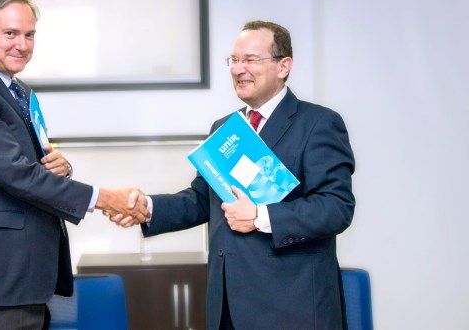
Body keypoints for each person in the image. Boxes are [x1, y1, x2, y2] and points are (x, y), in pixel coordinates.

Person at [0, 0, 148, 330]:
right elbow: (16, 174)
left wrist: (62, 166)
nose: (22, 45)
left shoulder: (17, 90)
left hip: (23, 277)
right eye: (10, 33)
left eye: (29, 35)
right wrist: (106, 198)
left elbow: (31, 163)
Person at [112, 20, 355, 329]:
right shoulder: (225, 128)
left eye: (251, 60)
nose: (239, 69)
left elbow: (336, 208)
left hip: (293, 310)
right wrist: (147, 207)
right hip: (227, 308)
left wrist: (259, 216)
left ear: (284, 66)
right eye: (235, 60)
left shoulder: (319, 123)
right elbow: (203, 199)